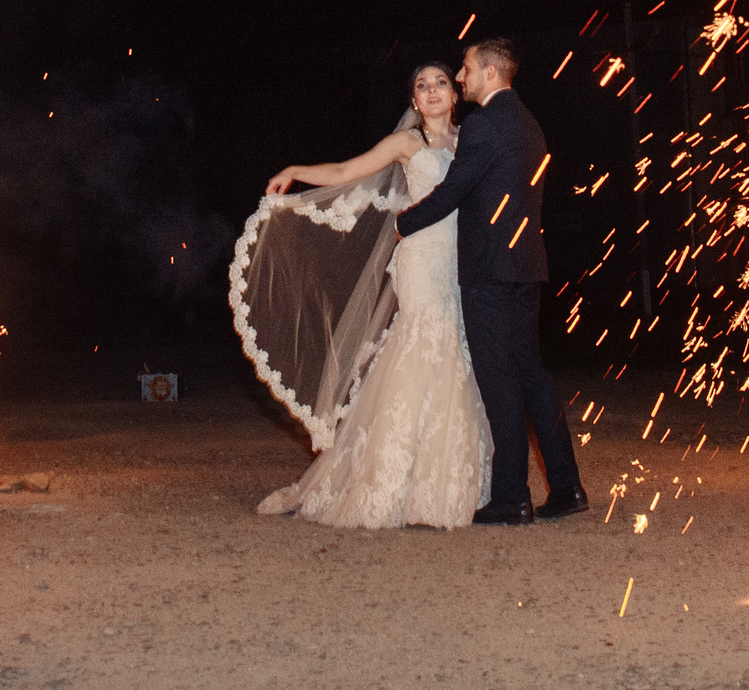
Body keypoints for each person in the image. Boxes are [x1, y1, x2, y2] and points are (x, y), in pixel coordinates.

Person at [233, 62, 493, 527]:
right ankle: (395, 481)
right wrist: (294, 170)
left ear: (455, 95)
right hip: (422, 261)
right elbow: (346, 169)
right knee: (425, 347)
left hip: (461, 262)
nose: (432, 91)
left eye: (440, 83)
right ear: (414, 101)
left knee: (458, 353)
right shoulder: (407, 143)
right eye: (422, 86)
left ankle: (447, 479)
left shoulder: (469, 141)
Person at [390, 39, 586, 525]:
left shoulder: (482, 124)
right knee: (533, 374)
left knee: (499, 381)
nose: (460, 77)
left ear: (491, 73)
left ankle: (511, 497)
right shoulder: (528, 121)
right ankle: (567, 487)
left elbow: (454, 191)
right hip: (526, 266)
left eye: (466, 68)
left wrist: (404, 223)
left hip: (489, 271)